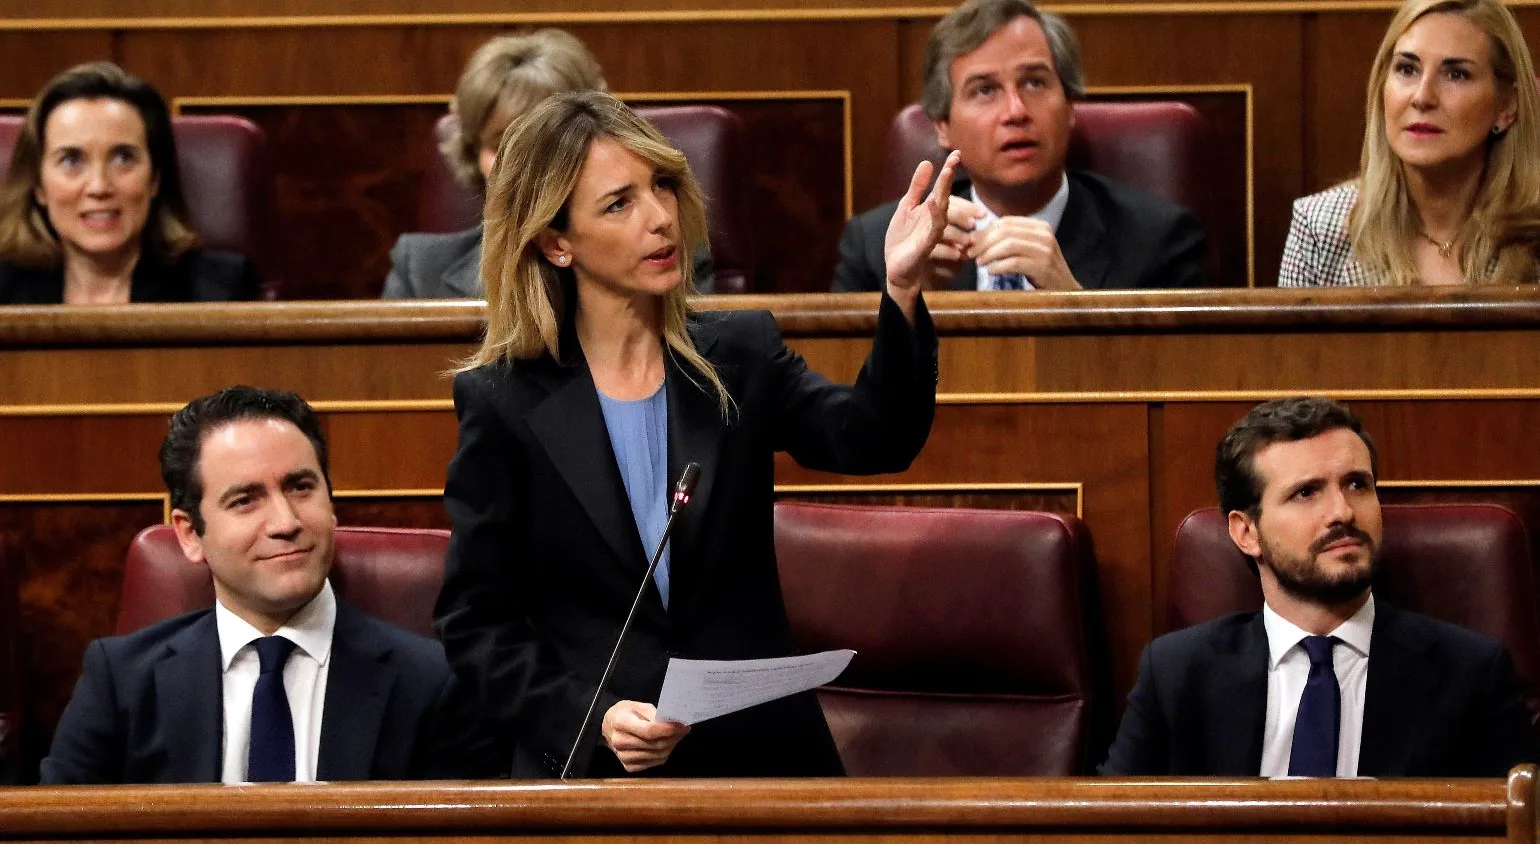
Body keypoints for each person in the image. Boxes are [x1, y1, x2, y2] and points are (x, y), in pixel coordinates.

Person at [435, 90, 952, 778]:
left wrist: (903, 292)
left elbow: (874, 438)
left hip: (762, 760)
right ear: (556, 242)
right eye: (619, 204)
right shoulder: (503, 400)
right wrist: (594, 716)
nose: (659, 219)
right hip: (604, 773)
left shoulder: (740, 353)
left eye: (663, 185)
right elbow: (477, 625)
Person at [41, 386, 464, 784]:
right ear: (190, 535)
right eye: (245, 500)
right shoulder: (121, 682)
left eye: (301, 488)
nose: (286, 523)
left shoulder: (432, 683)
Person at [1100, 396, 1538, 777]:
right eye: (1306, 493)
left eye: (1356, 485)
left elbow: (1519, 837)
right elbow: (1105, 834)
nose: (1342, 512)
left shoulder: (1471, 673)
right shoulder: (1178, 673)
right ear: (1246, 532)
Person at [832, 0, 1205, 293]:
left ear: (1070, 106)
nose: (1015, 111)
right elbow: (842, 388)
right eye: (984, 90)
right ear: (942, 126)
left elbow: (1179, 387)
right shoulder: (875, 247)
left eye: (1034, 83)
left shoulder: (1159, 241)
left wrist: (1073, 306)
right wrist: (910, 301)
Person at [382, 30, 713, 299]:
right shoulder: (419, 269)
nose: (526, 168)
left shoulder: (666, 254)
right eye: (502, 146)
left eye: (547, 147)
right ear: (474, 155)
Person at [1279, 0, 1540, 287]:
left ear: (1507, 107)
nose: (1422, 97)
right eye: (1407, 69)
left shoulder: (1532, 235)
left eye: (1456, 74)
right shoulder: (1318, 229)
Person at [0, 62, 260, 305]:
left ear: (155, 178)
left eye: (123, 158)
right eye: (72, 160)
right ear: (38, 186)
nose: (99, 187)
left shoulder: (220, 290)